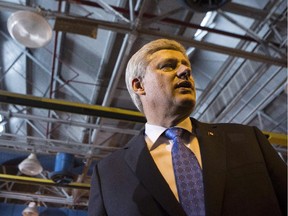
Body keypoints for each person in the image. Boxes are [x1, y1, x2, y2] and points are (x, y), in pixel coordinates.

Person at [88, 39, 287, 216]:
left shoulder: (247, 139)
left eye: (186, 67)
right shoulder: (108, 174)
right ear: (139, 86)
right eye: (168, 66)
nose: (185, 72)